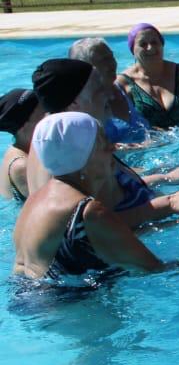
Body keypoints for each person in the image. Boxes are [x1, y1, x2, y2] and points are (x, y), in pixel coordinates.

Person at [28, 59, 179, 226]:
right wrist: (169, 204)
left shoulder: (57, 142)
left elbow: (111, 191)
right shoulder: (70, 156)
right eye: (99, 90)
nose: (110, 95)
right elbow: (92, 226)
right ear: (75, 104)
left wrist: (164, 177)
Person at [12, 112, 163, 281]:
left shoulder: (34, 201)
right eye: (102, 143)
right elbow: (154, 268)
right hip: (73, 298)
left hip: (26, 294)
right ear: (82, 155)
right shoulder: (88, 212)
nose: (112, 148)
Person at [116, 24, 179, 129]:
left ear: (162, 45)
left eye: (154, 42)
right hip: (149, 139)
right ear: (132, 50)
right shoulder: (123, 82)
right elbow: (123, 123)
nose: (150, 48)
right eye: (143, 44)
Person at [68, 36, 148, 144]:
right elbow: (88, 147)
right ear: (87, 68)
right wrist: (136, 147)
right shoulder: (85, 105)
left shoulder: (122, 88)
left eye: (111, 56)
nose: (112, 64)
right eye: (103, 60)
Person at [0, 88, 42, 203]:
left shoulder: (16, 148)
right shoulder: (22, 165)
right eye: (43, 112)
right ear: (24, 125)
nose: (49, 116)